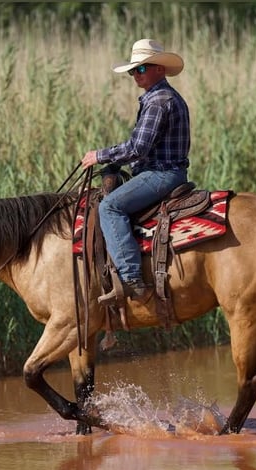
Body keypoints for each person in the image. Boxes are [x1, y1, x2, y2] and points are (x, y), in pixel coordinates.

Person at [81, 38, 190, 306]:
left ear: (159, 70)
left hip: (161, 174)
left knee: (109, 208)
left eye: (141, 69)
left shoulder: (158, 101)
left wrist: (100, 155)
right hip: (165, 171)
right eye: (133, 70)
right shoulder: (161, 97)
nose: (135, 75)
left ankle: (132, 279)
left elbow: (138, 147)